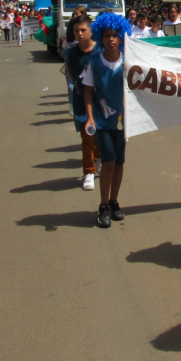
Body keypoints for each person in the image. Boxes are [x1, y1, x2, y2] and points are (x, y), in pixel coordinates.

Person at [81, 13, 132, 228]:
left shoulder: (129, 62)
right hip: (102, 121)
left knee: (119, 162)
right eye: (107, 35)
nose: (111, 39)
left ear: (121, 37)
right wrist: (90, 117)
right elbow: (88, 92)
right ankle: (103, 206)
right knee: (109, 160)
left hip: (123, 121)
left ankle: (114, 201)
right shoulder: (94, 62)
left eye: (115, 35)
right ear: (101, 38)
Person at [65, 14, 102, 190]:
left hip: (103, 101)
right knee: (87, 137)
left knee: (102, 137)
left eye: (83, 30)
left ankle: (99, 157)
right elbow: (72, 76)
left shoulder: (101, 50)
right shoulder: (70, 54)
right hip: (82, 101)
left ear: (90, 31)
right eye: (76, 31)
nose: (80, 34)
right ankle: (89, 172)